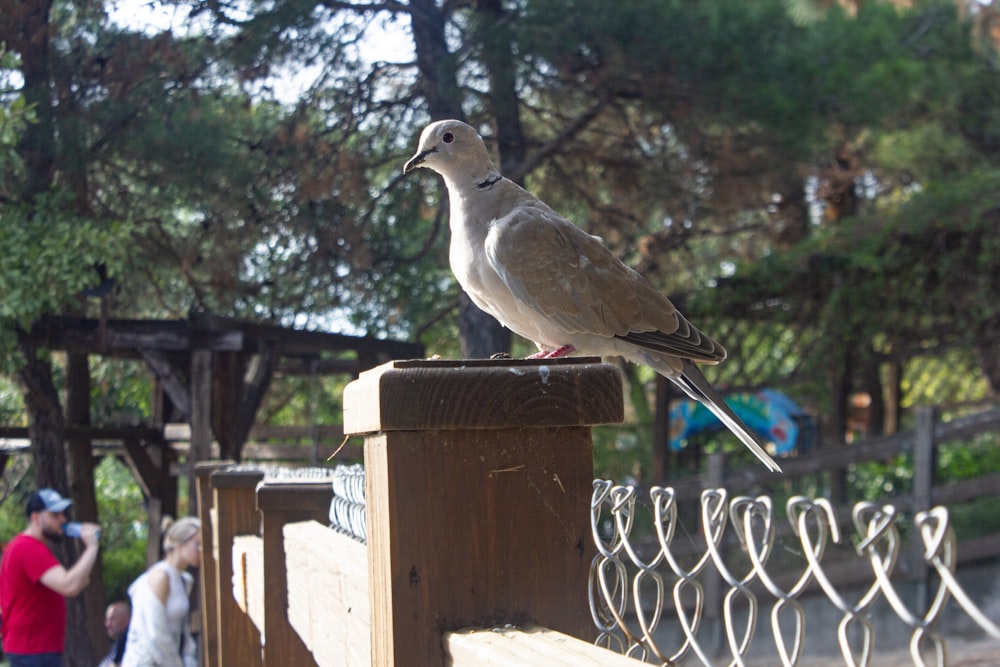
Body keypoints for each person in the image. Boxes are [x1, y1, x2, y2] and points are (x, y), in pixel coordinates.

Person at [0, 487, 101, 667]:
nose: (63, 520)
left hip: (32, 650)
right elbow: (69, 585)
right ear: (36, 519)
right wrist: (92, 547)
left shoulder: (22, 546)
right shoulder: (29, 548)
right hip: (33, 651)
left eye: (62, 514)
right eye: (55, 515)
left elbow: (73, 584)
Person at [121, 517, 200, 667]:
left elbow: (182, 628)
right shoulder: (160, 577)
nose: (201, 551)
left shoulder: (185, 580)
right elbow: (155, 632)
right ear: (180, 545)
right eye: (197, 544)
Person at [97, 600, 131, 667]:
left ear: (127, 619)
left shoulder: (129, 644)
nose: (107, 624)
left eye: (112, 619)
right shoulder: (116, 646)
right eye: (107, 619)